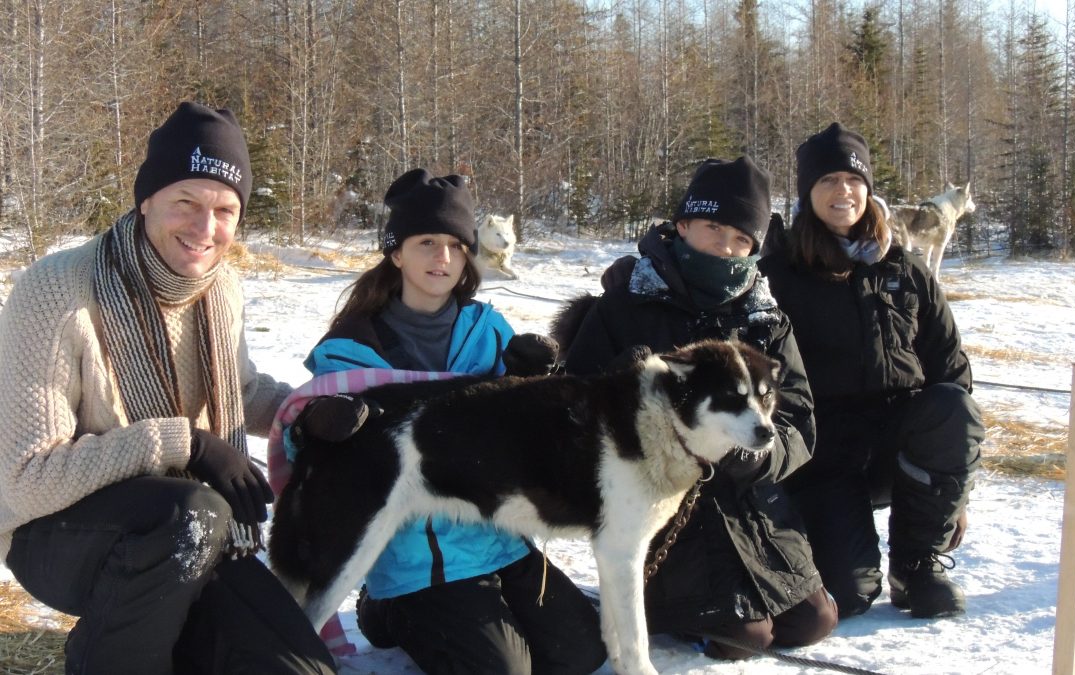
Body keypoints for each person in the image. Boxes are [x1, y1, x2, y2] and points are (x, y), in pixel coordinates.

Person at [0, 102, 335, 674]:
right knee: (190, 511)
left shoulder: (220, 289)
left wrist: (304, 410)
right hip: (54, 535)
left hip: (188, 536)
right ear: (146, 199)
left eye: (225, 210)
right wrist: (187, 444)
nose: (206, 230)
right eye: (187, 202)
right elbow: (27, 479)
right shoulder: (56, 291)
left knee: (300, 667)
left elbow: (241, 388)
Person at [288, 168, 607, 675]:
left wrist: (532, 382)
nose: (443, 258)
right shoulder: (351, 351)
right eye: (427, 242)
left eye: (456, 246)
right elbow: (302, 442)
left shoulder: (487, 331)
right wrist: (316, 427)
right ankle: (388, 607)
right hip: (416, 558)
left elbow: (536, 437)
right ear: (396, 253)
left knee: (583, 654)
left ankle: (409, 614)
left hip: (499, 537)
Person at [558, 156, 837, 660]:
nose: (725, 248)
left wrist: (757, 458)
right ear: (682, 225)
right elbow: (570, 407)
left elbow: (799, 417)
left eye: (741, 239)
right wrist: (619, 385)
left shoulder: (765, 319)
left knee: (815, 621)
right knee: (743, 639)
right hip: (662, 503)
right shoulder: (626, 306)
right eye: (713, 229)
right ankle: (657, 604)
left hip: (748, 500)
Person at [759, 122, 984, 620]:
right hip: (822, 455)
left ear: (869, 189)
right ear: (806, 193)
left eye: (854, 180)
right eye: (827, 181)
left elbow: (950, 368)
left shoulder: (904, 269)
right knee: (850, 594)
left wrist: (956, 494)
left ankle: (917, 564)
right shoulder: (778, 276)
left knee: (951, 406)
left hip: (898, 444)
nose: (843, 191)